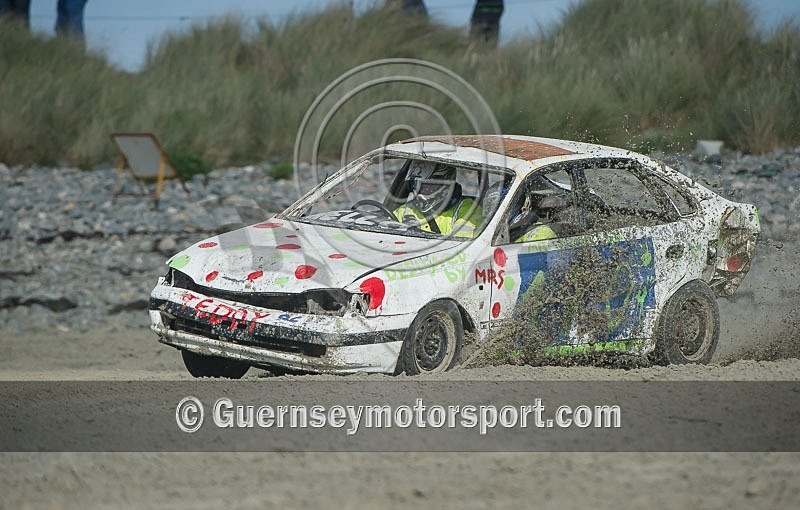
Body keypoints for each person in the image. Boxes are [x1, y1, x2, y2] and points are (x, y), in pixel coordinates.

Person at [394, 161, 483, 238]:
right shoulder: (406, 209)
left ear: (446, 185)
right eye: (418, 184)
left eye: (430, 185)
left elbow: (460, 247)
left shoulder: (468, 209)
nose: (423, 190)